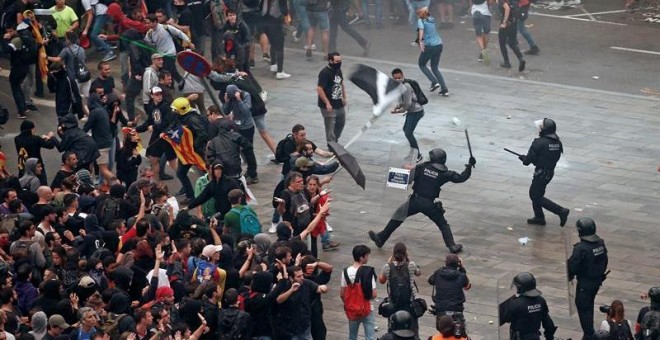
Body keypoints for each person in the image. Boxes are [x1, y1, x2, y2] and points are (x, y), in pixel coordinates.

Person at [369, 148, 475, 253]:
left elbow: (409, 178)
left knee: (398, 216)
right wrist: (469, 166)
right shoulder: (445, 173)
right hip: (429, 204)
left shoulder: (423, 167)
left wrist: (400, 170)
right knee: (442, 224)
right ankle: (452, 246)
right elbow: (461, 178)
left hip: (415, 200)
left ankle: (381, 238)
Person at [518, 118, 570, 226]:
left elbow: (527, 161)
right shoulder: (558, 143)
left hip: (540, 174)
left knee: (535, 196)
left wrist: (524, 158)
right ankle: (539, 217)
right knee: (537, 194)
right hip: (549, 173)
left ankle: (560, 211)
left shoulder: (538, 143)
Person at [568, 217, 609, 340]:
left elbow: (573, 266)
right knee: (589, 305)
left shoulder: (581, 248)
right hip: (597, 281)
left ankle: (589, 334)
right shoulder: (600, 243)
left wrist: (570, 272)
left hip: (585, 283)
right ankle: (589, 331)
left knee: (583, 306)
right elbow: (605, 260)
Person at [378, 243, 421, 336]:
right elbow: (418, 273)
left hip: (393, 302)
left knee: (392, 328)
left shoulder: (387, 267)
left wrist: (388, 262)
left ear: (393, 254)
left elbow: (381, 280)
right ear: (405, 253)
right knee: (413, 328)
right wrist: (408, 260)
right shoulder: (411, 265)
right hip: (409, 302)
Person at [499, 272, 557, 340]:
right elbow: (548, 324)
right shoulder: (540, 300)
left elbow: (502, 318)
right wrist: (549, 337)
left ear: (520, 288)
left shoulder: (515, 304)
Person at [428, 254, 470, 337]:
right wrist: (461, 268)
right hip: (457, 309)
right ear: (457, 263)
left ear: (446, 263)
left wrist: (443, 267)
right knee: (460, 334)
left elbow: (430, 280)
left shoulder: (439, 272)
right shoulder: (461, 275)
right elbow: (467, 286)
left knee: (443, 335)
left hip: (441, 309)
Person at [341, 245, 377, 340]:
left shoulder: (345, 271)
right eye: (367, 255)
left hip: (352, 309)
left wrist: (349, 303)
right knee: (370, 337)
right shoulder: (368, 271)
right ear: (361, 258)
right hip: (367, 309)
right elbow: (373, 294)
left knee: (352, 336)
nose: (368, 257)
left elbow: (342, 294)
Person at [391, 68, 425, 163]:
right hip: (412, 111)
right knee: (405, 130)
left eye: (399, 77)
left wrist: (397, 111)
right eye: (395, 78)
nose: (398, 80)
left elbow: (407, 104)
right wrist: (396, 107)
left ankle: (417, 155)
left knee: (408, 133)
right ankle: (413, 152)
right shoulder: (399, 87)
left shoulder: (406, 87)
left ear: (403, 75)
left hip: (416, 112)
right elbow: (402, 102)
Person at [416, 7, 448, 96]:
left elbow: (421, 30)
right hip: (439, 45)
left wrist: (420, 41)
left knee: (421, 64)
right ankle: (444, 88)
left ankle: (434, 81)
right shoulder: (431, 19)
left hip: (430, 46)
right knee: (434, 67)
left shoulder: (421, 21)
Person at [1, 23, 31, 119]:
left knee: (15, 88)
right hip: (24, 66)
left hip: (18, 68)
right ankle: (24, 107)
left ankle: (21, 111)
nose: (8, 33)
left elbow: (6, 50)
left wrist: (4, 40)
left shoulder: (16, 40)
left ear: (15, 30)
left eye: (10, 31)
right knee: (18, 86)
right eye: (7, 31)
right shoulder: (22, 39)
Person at [317, 52, 346, 144]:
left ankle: (335, 141)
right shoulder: (325, 73)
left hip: (338, 102)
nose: (339, 63)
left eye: (340, 61)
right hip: (328, 105)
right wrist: (327, 103)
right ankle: (332, 145)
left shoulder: (338, 70)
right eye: (337, 61)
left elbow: (341, 83)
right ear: (330, 61)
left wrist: (344, 97)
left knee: (341, 122)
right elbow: (319, 88)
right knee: (330, 126)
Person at [497, 0, 525, 71]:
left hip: (506, 24)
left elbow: (507, 8)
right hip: (514, 23)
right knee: (512, 43)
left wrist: (504, 22)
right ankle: (520, 58)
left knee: (502, 43)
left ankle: (507, 62)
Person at [470, 0, 491, 64]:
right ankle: (483, 52)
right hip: (486, 13)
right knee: (486, 33)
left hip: (475, 13)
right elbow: (491, 2)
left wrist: (471, 7)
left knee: (478, 35)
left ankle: (483, 50)